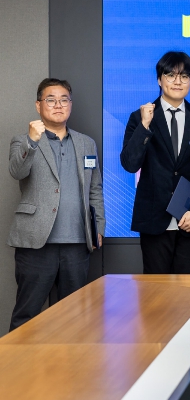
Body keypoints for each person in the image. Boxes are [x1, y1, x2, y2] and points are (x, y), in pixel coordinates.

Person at [8, 78, 105, 331]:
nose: (58, 105)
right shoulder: (22, 141)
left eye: (64, 100)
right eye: (50, 100)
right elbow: (17, 171)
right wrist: (32, 141)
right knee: (27, 314)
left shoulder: (86, 143)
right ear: (38, 105)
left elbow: (94, 188)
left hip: (77, 243)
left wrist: (99, 226)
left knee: (74, 317)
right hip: (36, 242)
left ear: (71, 104)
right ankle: (17, 359)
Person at [120, 51, 190, 274]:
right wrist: (144, 127)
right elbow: (130, 164)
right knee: (155, 290)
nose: (178, 81)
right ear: (159, 79)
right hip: (154, 218)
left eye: (184, 76)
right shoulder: (139, 117)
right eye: (170, 75)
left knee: (188, 288)